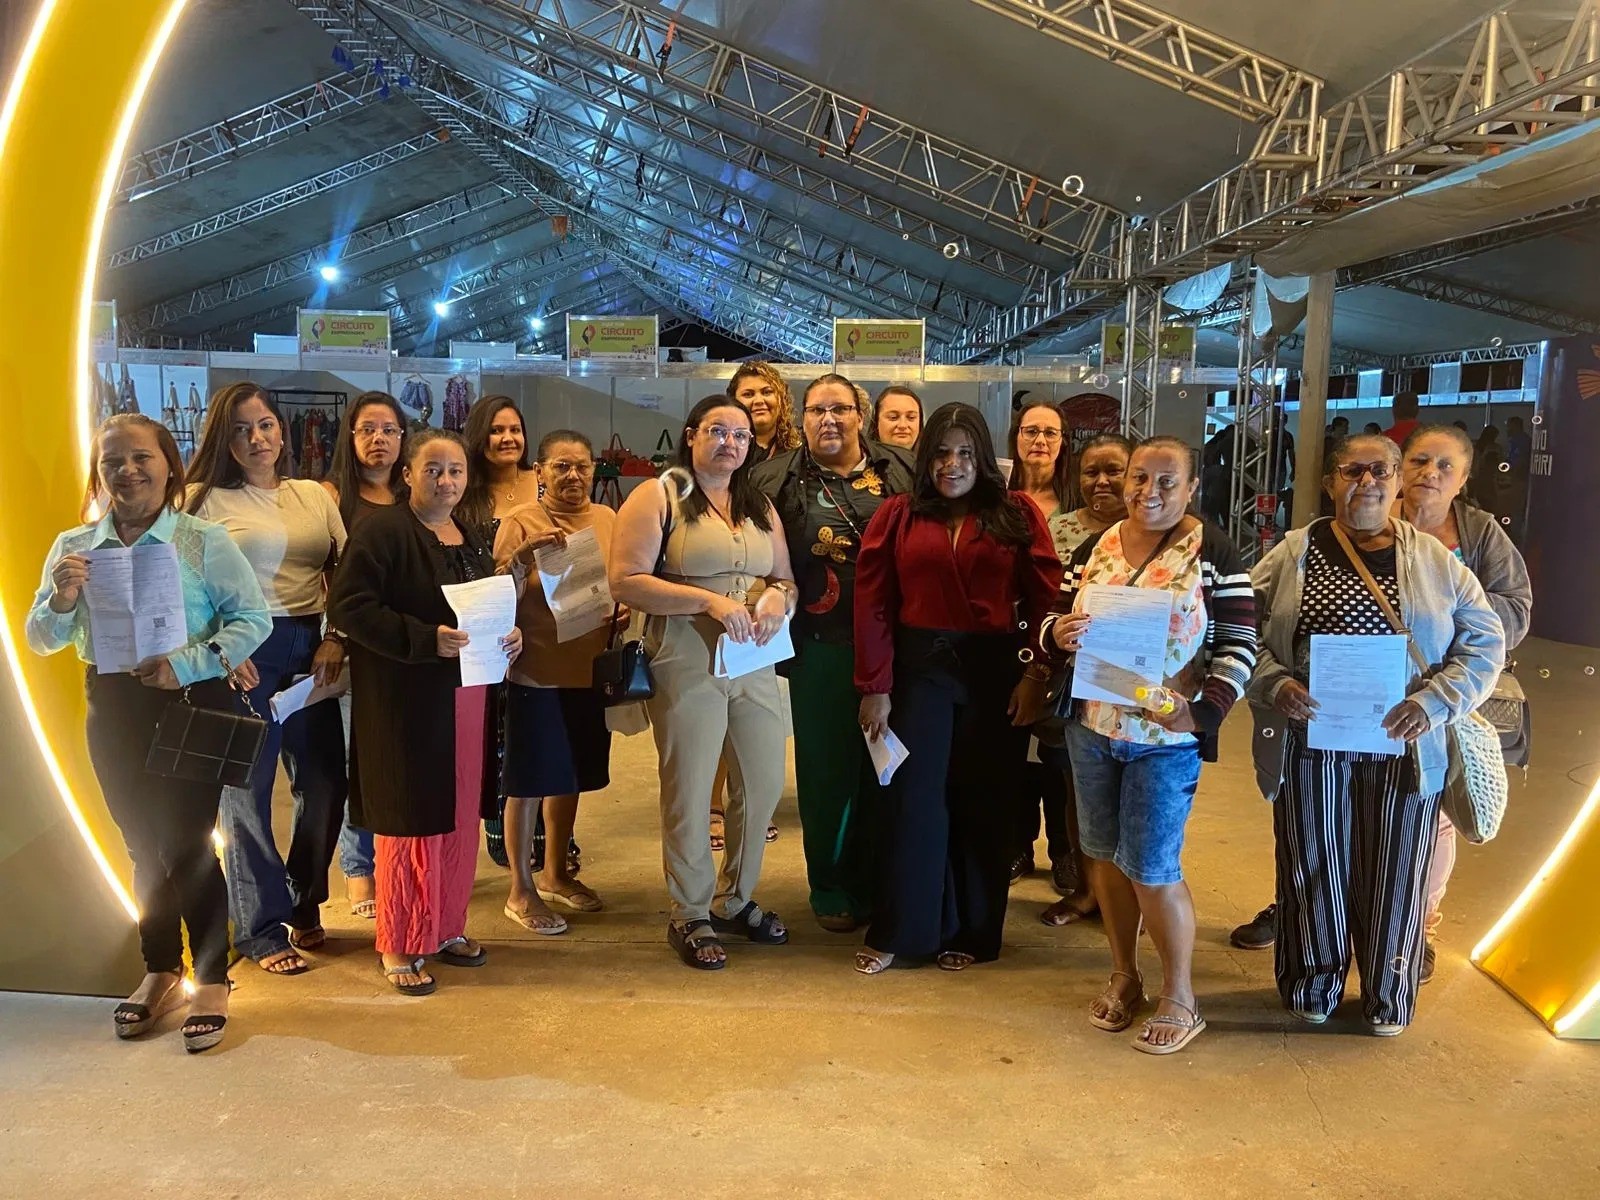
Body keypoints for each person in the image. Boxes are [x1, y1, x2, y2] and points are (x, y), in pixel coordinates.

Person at [27, 414, 270, 1051]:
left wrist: (183, 664)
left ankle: (211, 976)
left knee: (188, 842)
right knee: (140, 846)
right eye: (113, 461)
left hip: (188, 699)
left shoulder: (201, 540)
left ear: (168, 465)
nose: (128, 471)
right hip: (113, 705)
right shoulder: (76, 546)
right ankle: (160, 968)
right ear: (98, 472)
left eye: (142, 458)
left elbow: (253, 619)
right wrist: (60, 600)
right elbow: (41, 639)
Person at [1249, 433, 1502, 1035]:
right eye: (1352, 471)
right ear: (1330, 482)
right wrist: (1274, 682)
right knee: (1313, 862)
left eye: (1380, 471)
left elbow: (1486, 642)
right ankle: (1314, 984)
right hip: (1311, 739)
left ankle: (1388, 993)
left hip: (1404, 743)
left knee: (1397, 871)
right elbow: (1237, 629)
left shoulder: (1435, 561)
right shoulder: (1292, 553)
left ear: (1396, 482)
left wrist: (1435, 702)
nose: (1366, 482)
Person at [1038, 436, 1257, 1054]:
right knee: (1104, 858)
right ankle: (1124, 974)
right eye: (1140, 477)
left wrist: (1203, 712)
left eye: (1167, 481)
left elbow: (1241, 641)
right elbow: (1055, 613)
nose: (1148, 492)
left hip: (1164, 738)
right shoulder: (1097, 545)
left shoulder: (1212, 551)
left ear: (1191, 488)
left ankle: (1180, 995)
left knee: (1154, 868)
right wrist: (1058, 632)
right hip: (1092, 728)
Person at [853, 403, 1062, 975]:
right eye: (942, 453)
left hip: (997, 671)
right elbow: (873, 602)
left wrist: (1036, 674)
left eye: (965, 452)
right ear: (926, 458)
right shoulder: (897, 515)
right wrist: (875, 685)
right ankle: (903, 930)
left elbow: (1046, 597)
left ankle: (974, 930)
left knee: (985, 800)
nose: (953, 464)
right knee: (913, 799)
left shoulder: (1016, 513)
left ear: (982, 457)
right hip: (918, 670)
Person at [328, 429, 523, 995]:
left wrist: (509, 635)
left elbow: (485, 607)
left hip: (466, 695)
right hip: (405, 701)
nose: (446, 480)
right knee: (411, 819)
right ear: (408, 474)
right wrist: (422, 639)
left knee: (457, 814)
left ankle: (444, 926)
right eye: (433, 469)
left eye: (456, 470)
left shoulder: (471, 535)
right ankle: (399, 940)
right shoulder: (383, 531)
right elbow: (348, 606)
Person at [609, 394, 799, 970]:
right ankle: (690, 911)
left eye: (740, 435)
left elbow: (785, 578)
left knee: (762, 782)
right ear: (691, 435)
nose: (729, 443)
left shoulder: (758, 504)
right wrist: (708, 601)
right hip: (685, 652)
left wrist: (777, 597)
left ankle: (734, 898)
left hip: (754, 656)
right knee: (690, 788)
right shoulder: (661, 495)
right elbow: (625, 580)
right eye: (717, 431)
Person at [185, 383, 349, 975]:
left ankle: (304, 900)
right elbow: (184, 587)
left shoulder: (314, 496)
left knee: (326, 782)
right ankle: (259, 928)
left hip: (313, 649)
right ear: (222, 440)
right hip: (245, 651)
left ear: (282, 430)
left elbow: (345, 570)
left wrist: (336, 635)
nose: (257, 438)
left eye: (265, 425)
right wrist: (221, 649)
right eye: (241, 429)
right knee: (247, 793)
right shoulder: (202, 502)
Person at [750, 373, 916, 932]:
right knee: (826, 773)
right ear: (802, 418)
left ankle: (881, 879)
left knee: (888, 769)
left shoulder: (901, 469)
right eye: (817, 410)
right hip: (820, 646)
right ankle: (831, 886)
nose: (829, 419)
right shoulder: (773, 478)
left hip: (899, 647)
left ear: (859, 416)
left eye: (840, 409)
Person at [1396, 425, 1531, 983]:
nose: (1429, 473)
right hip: (1369, 691)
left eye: (1444, 466)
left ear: (1464, 478)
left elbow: (1517, 610)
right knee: (1340, 805)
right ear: (1400, 466)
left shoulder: (1479, 534)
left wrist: (1450, 610)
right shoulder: (1367, 511)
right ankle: (1319, 910)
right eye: (1419, 461)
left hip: (1448, 694)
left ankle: (1418, 930)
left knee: (1436, 815)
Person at [494, 431, 620, 932]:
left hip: (590, 670)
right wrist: (522, 557)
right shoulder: (521, 522)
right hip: (536, 671)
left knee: (570, 776)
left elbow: (622, 577)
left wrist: (623, 606)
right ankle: (520, 889)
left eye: (582, 466)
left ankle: (556, 873)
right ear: (540, 471)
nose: (573, 476)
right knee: (528, 781)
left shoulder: (608, 519)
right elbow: (493, 592)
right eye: (561, 466)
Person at [456, 395, 568, 874]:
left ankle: (553, 840)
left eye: (515, 429)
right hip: (490, 628)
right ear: (479, 437)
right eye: (497, 430)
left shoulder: (541, 483)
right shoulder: (465, 492)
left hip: (544, 626)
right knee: (501, 736)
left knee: (547, 734)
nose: (507, 439)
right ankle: (503, 837)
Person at [1033, 432, 1135, 927]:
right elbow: (1048, 602)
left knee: (1140, 797)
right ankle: (1088, 889)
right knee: (1081, 790)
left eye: (1115, 470)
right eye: (1092, 472)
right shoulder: (1066, 532)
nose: (1102, 481)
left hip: (1148, 695)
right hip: (1081, 685)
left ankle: (1132, 896)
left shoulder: (1172, 535)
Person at [320, 391, 409, 919]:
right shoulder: (332, 496)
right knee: (359, 758)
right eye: (367, 430)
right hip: (354, 643)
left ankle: (399, 861)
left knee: (398, 758)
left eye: (389, 430)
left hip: (407, 643)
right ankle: (359, 868)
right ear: (350, 438)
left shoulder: (413, 492)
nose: (379, 440)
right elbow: (325, 575)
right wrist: (334, 634)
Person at [1004, 401, 1075, 888]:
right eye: (1031, 431)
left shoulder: (1078, 504)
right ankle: (1017, 845)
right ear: (1016, 437)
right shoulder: (998, 498)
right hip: (1008, 637)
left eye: (1050, 433)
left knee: (1059, 752)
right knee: (1012, 745)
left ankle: (1065, 852)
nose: (1040, 441)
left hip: (1065, 645)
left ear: (1063, 442)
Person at [726, 361, 801, 464]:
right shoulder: (723, 451)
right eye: (748, 394)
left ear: (782, 399)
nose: (759, 401)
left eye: (767, 392)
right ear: (733, 401)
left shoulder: (800, 451)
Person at [872, 385, 923, 450]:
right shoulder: (862, 456)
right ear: (877, 422)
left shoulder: (930, 456)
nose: (903, 425)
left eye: (911, 417)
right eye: (893, 417)